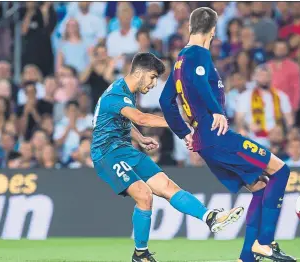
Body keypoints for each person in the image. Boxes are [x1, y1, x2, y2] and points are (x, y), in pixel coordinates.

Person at [159, 7, 296, 262]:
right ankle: (265, 242)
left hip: (204, 140)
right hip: (217, 135)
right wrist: (216, 111)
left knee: (259, 187)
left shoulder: (179, 60)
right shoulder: (199, 54)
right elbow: (200, 83)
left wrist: (183, 133)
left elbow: (166, 101)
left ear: (190, 27)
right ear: (213, 31)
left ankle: (247, 256)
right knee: (281, 171)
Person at [90, 52, 243, 262]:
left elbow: (119, 120)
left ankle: (210, 217)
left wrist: (140, 138)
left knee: (168, 187)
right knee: (144, 195)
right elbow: (141, 117)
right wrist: (178, 122)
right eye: (153, 76)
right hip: (107, 154)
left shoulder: (124, 90)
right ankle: (140, 255)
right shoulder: (117, 94)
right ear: (140, 72)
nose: (154, 83)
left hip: (124, 149)